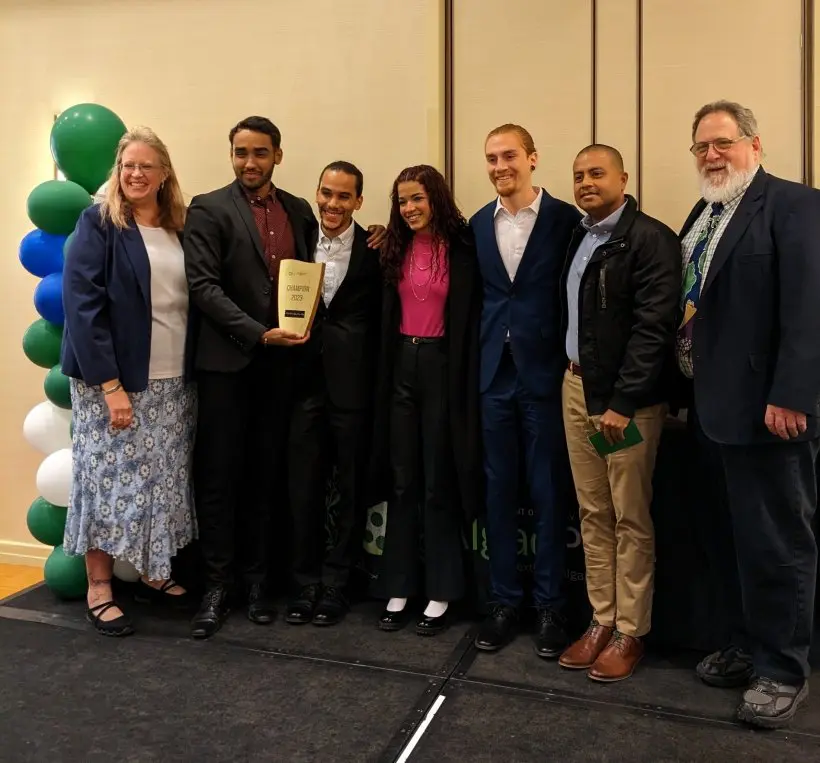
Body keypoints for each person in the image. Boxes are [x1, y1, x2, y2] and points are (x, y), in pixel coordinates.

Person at [678, 100, 820, 728]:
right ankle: (742, 646)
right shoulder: (705, 213)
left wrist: (792, 392)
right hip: (710, 413)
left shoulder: (793, 205)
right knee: (727, 543)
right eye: (702, 146)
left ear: (755, 145)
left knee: (777, 545)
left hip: (770, 415)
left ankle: (784, 670)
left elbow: (809, 307)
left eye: (724, 143)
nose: (713, 155)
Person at [61, 126, 196, 636]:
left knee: (160, 481)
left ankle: (152, 571)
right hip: (114, 385)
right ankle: (100, 587)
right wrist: (110, 385)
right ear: (118, 172)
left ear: (165, 175)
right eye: (127, 166)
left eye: (146, 166)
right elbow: (83, 307)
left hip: (172, 380)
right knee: (104, 482)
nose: (135, 174)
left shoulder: (180, 225)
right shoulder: (98, 223)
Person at [183, 116, 315, 639]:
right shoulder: (209, 208)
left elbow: (314, 269)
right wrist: (259, 333)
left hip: (281, 370)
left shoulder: (300, 211)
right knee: (218, 479)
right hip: (227, 366)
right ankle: (217, 586)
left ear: (278, 156)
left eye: (260, 153)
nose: (249, 163)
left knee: (266, 476)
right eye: (240, 153)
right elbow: (203, 286)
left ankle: (258, 583)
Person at [557, 145, 680, 681]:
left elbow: (654, 328)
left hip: (623, 405)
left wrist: (622, 402)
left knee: (630, 516)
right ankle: (600, 620)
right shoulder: (578, 236)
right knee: (593, 513)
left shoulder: (650, 238)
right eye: (579, 175)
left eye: (597, 173)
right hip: (576, 389)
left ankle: (631, 630)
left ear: (623, 178)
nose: (586, 182)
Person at [471, 124, 581, 656]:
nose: (499, 166)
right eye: (491, 158)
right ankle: (503, 602)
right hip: (493, 374)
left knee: (548, 492)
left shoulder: (566, 221)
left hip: (545, 373)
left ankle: (551, 607)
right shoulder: (475, 224)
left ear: (533, 158)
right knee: (497, 491)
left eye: (509, 155)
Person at [371, 164, 482, 635]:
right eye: (401, 201)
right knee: (402, 481)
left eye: (417, 198)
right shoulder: (391, 247)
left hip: (441, 367)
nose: (409, 208)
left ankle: (440, 590)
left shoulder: (462, 248)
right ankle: (398, 584)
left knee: (438, 481)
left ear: (435, 198)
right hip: (401, 365)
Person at [285, 161, 382, 626]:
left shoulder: (377, 249)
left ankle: (338, 584)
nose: (333, 204)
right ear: (317, 193)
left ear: (358, 202)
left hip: (354, 389)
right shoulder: (296, 240)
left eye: (344, 197)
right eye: (326, 193)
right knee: (302, 486)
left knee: (350, 488)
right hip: (302, 386)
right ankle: (304, 582)